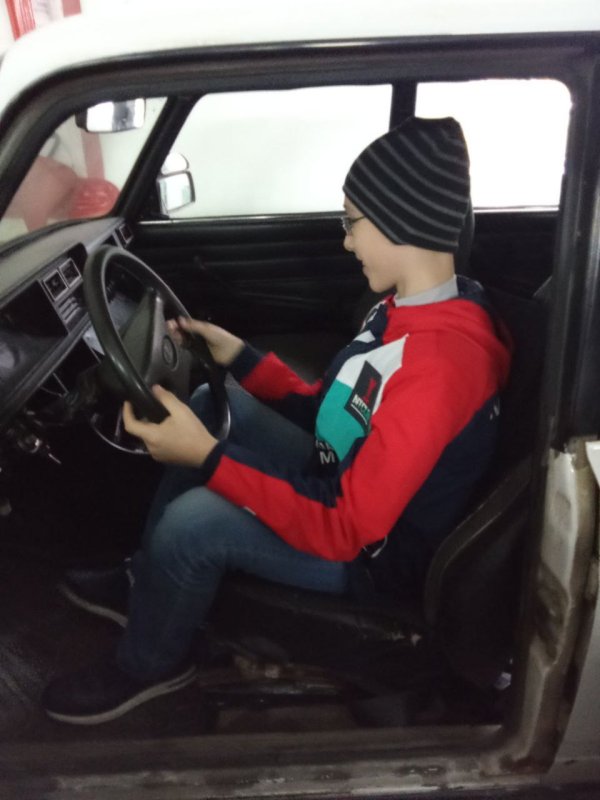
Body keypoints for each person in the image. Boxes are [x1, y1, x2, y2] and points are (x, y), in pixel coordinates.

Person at [42, 116, 511, 724]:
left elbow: (347, 528)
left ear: (401, 221)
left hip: (370, 558)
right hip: (344, 484)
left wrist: (208, 459)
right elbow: (336, 417)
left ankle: (150, 663)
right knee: (213, 403)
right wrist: (241, 358)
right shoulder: (406, 310)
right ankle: (149, 582)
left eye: (352, 223)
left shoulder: (441, 367)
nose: (346, 243)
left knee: (193, 524)